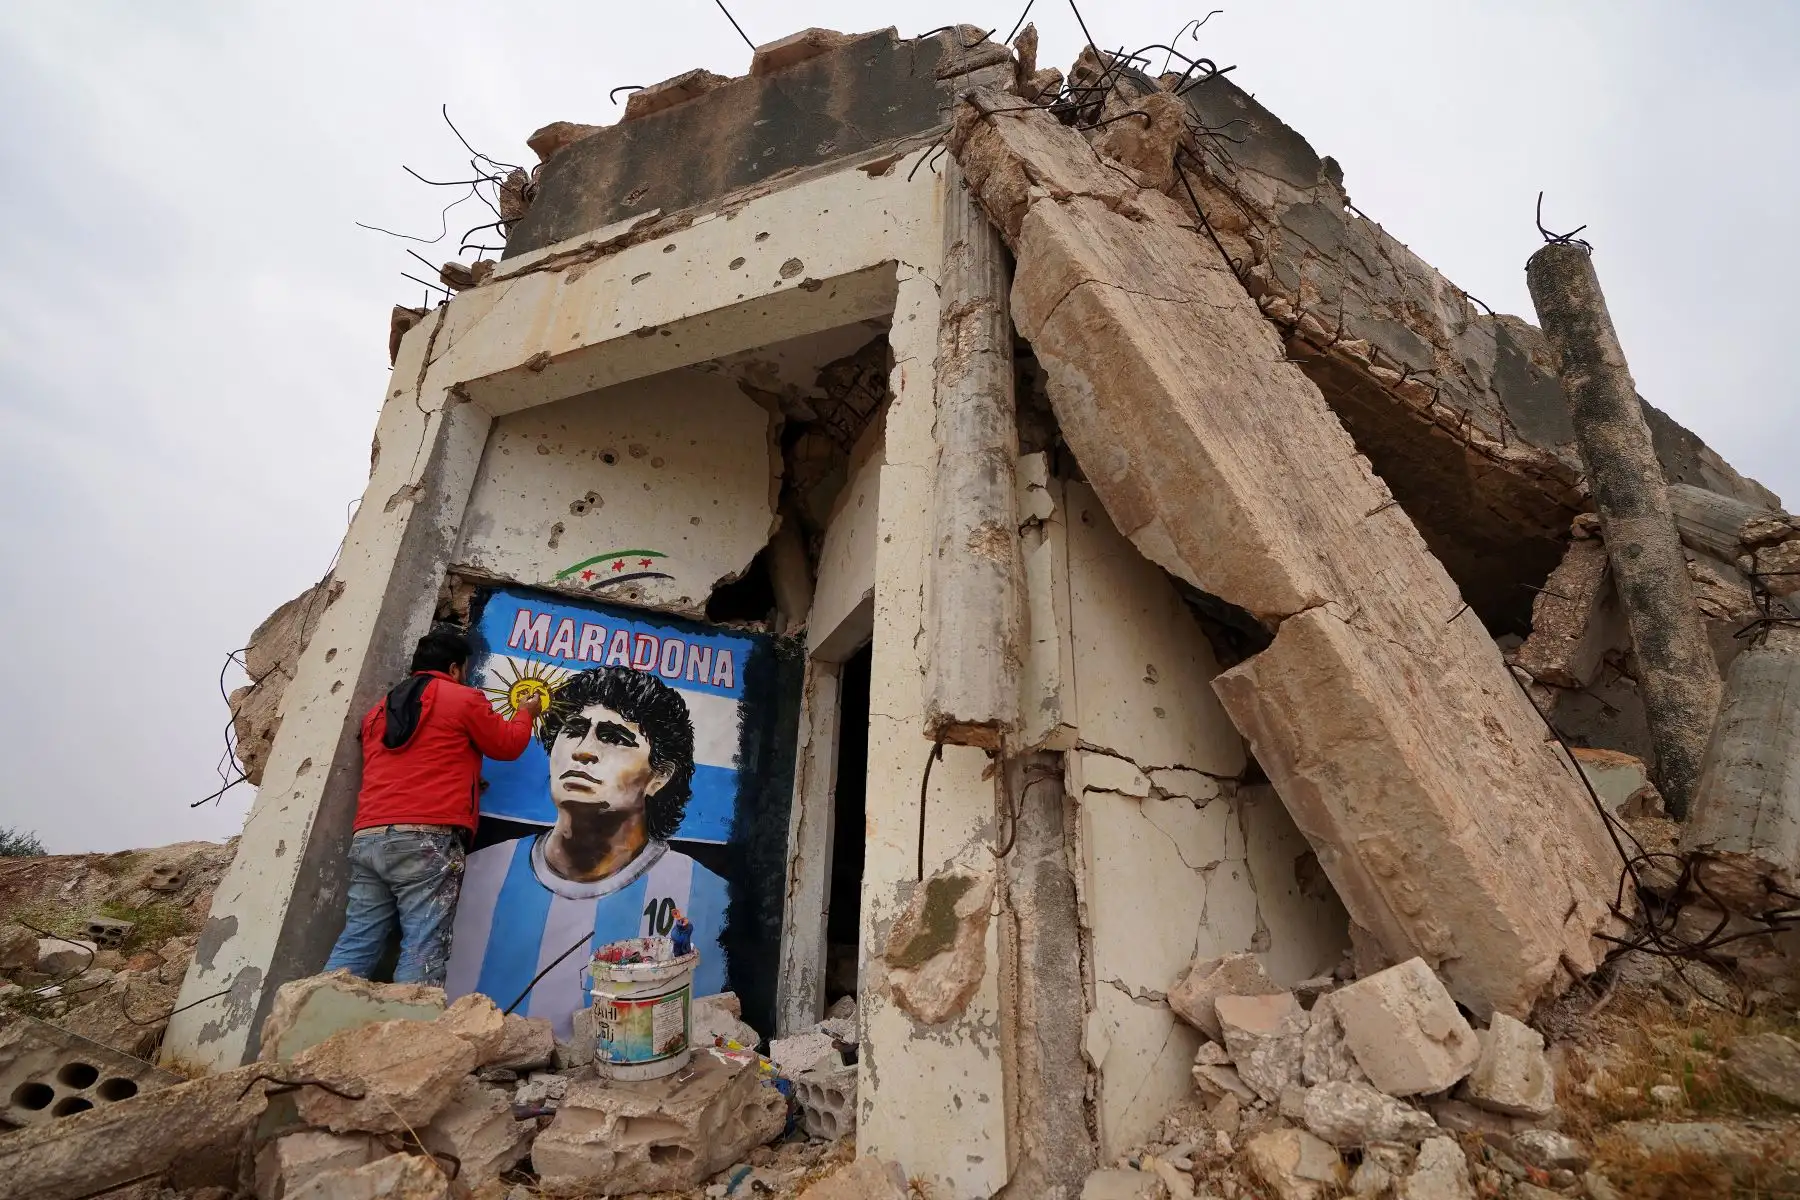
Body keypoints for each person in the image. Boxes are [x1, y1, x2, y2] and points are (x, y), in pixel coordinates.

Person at [446, 665, 728, 1036]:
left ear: (659, 776)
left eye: (614, 737)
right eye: (574, 731)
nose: (583, 752)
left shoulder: (710, 896)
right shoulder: (476, 873)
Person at [324, 625, 542, 985]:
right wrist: (524, 713)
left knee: (357, 942)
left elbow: (413, 759)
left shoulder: (379, 711)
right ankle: (413, 1039)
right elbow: (507, 745)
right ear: (455, 668)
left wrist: (467, 778)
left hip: (369, 836)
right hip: (427, 839)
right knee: (423, 948)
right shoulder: (463, 699)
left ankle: (311, 1027)